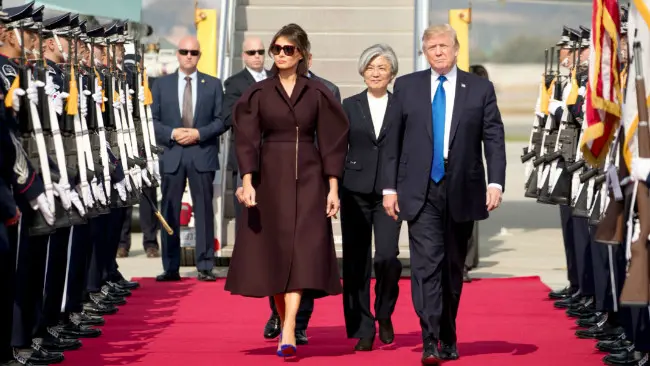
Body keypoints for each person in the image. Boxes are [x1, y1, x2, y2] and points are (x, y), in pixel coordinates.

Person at [380, 24, 506, 364]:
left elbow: (493, 138)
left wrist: (495, 183)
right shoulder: (406, 87)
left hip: (462, 187)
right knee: (425, 266)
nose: (438, 51)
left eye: (443, 45)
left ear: (456, 49)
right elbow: (392, 142)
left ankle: (449, 333)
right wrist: (389, 188)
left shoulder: (479, 88)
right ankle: (430, 338)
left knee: (451, 267)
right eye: (431, 46)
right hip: (420, 190)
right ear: (424, 51)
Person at [224, 23, 349, 357]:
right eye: (275, 49)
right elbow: (247, 139)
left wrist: (333, 188)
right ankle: (284, 320)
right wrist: (246, 181)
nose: (280, 54)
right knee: (277, 257)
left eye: (287, 49)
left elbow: (333, 143)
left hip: (310, 180)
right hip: (270, 180)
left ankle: (290, 326)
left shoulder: (318, 92)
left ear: (302, 54)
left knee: (302, 255)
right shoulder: (258, 93)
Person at [340, 43, 402, 352]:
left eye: (382, 68)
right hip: (354, 190)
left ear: (392, 73)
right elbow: (338, 148)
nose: (375, 73)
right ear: (363, 71)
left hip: (390, 193)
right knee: (356, 261)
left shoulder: (402, 106)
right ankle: (363, 328)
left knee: (387, 257)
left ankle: (385, 312)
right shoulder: (348, 105)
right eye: (370, 67)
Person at [151, 35, 227, 282]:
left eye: (193, 52)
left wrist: (198, 133)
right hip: (172, 154)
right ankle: (170, 266)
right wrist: (173, 133)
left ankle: (205, 265)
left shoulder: (213, 85)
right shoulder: (160, 85)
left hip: (201, 153)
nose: (188, 56)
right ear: (177, 54)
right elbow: (152, 121)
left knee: (204, 210)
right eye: (184, 51)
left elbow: (222, 120)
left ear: (199, 55)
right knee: (170, 210)